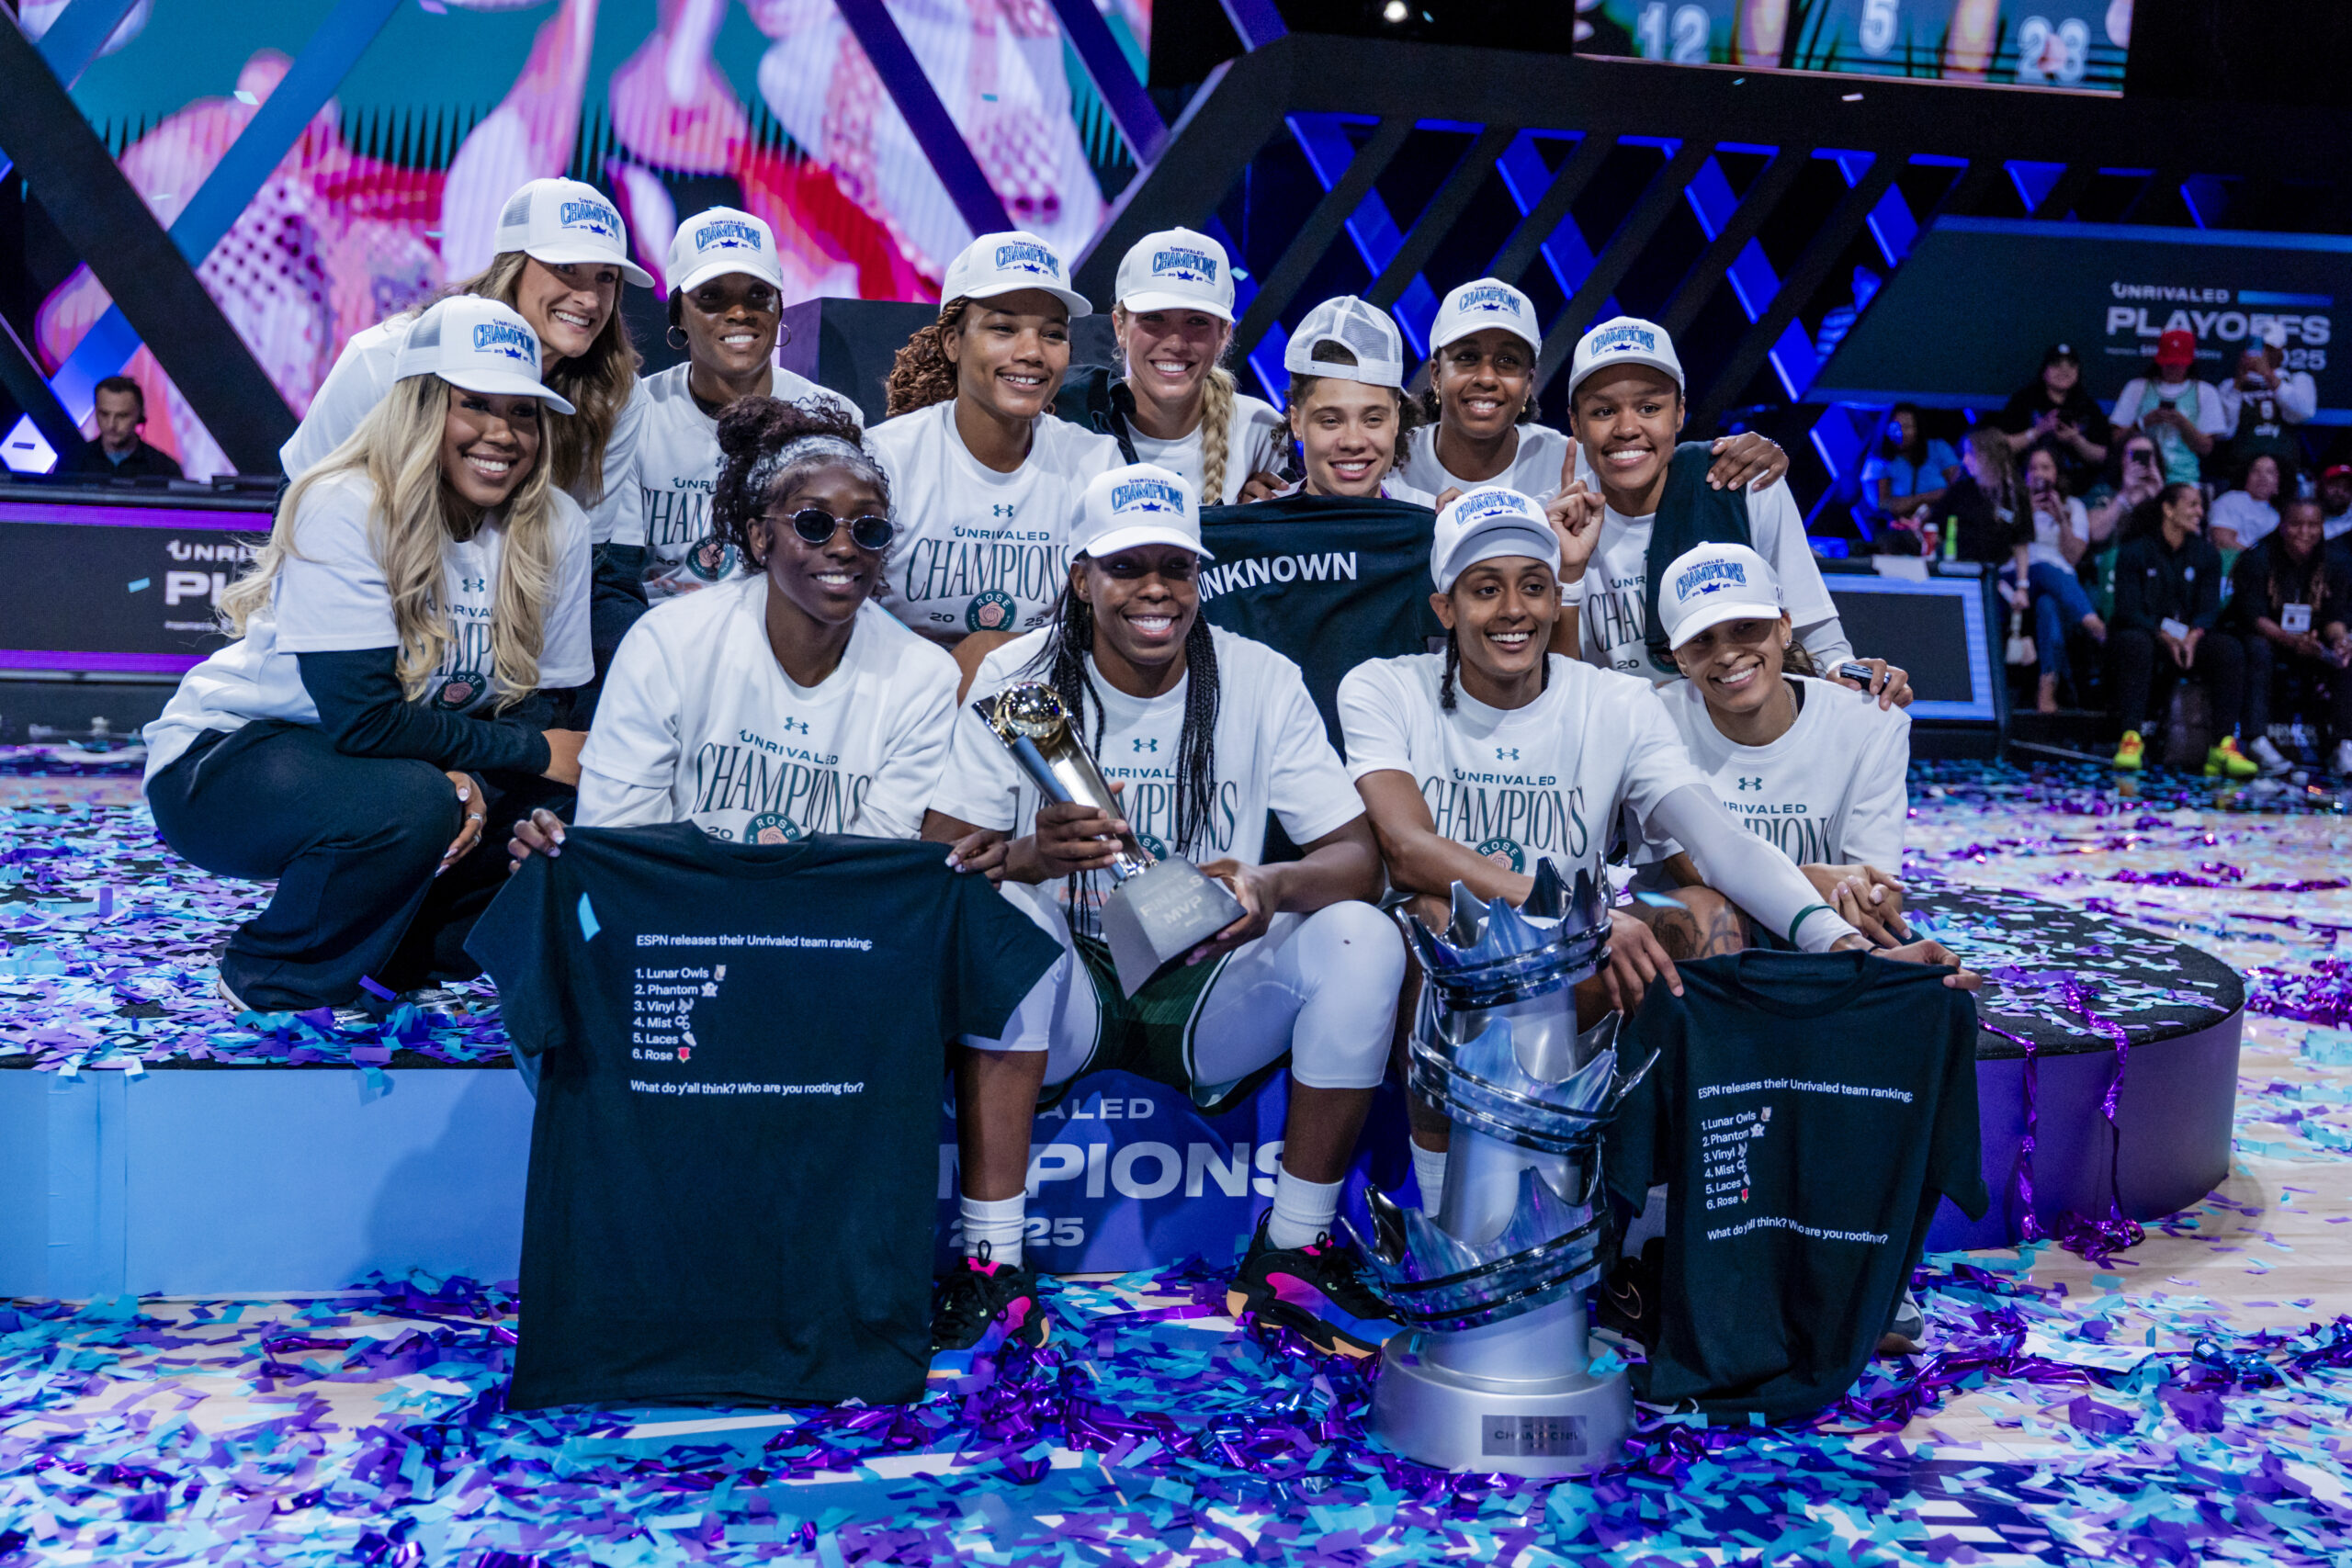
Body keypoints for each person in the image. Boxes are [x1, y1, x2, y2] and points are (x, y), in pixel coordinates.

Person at [1335, 494, 1966, 1226]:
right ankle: (1452, 1225)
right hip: (1445, 967)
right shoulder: (1385, 686)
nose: (1515, 608)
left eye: (1534, 585)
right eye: (1486, 588)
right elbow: (1410, 851)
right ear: (1445, 606)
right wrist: (1582, 921)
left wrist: (1849, 947)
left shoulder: (1615, 702)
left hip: (1572, 967)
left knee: (1704, 919)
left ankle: (1668, 1232)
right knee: (1440, 921)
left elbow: (1721, 844)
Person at [923, 464, 1408, 1359]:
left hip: (1208, 985)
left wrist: (1269, 886)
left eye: (1175, 568)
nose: (1155, 589)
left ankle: (1292, 1250)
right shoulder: (1019, 675)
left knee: (1361, 935)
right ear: (1081, 579)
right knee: (1004, 920)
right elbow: (941, 856)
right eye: (1126, 566)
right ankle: (992, 1266)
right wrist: (1032, 855)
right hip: (1065, 981)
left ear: (1199, 576)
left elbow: (1356, 859)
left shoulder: (1258, 678)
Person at [141, 297, 593, 1015]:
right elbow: (362, 720)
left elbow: (545, 705)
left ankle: (403, 955)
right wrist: (501, 760)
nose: (502, 434)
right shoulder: (347, 503)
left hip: (396, 758)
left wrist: (483, 771)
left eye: (523, 412)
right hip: (232, 759)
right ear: (419, 407)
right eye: (473, 404)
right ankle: (273, 974)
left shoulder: (555, 524)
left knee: (573, 804)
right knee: (413, 801)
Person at [506, 395, 959, 859]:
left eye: (868, 528)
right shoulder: (669, 642)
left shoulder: (924, 677)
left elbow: (871, 863)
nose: (844, 546)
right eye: (814, 523)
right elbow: (622, 839)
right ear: (760, 536)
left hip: (826, 921)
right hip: (672, 911)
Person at [278, 177, 650, 703]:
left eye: (606, 277)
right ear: (512, 264)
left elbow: (582, 564)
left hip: (505, 627)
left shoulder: (615, 396)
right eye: (565, 268)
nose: (588, 297)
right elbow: (298, 518)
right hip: (376, 607)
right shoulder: (383, 360)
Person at [1557, 315, 1905, 705]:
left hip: (1737, 737)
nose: (1627, 428)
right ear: (1575, 422)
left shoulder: (1743, 484)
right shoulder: (1557, 522)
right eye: (1603, 412)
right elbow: (1554, 686)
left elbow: (1819, 640)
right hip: (1618, 744)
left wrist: (1862, 677)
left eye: (1649, 407)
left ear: (1679, 413)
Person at [871, 230, 1122, 686]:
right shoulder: (884, 458)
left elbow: (1119, 623)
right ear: (953, 342)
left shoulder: (1096, 464)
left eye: (1052, 334)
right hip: (892, 703)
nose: (1030, 353)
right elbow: (833, 612)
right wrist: (949, 671)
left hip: (1045, 708)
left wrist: (996, 656)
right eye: (1003, 328)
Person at [621, 209, 859, 604]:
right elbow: (615, 581)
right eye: (712, 297)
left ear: (780, 306)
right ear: (678, 312)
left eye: (758, 294)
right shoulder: (638, 412)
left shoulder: (829, 417)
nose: (738, 313)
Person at [1400, 277, 1792, 504]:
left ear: (1529, 381)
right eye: (1467, 358)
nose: (1487, 377)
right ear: (1435, 374)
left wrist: (1757, 451)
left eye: (1507, 362)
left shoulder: (1576, 461)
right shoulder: (1392, 460)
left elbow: (1660, 465)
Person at [1055, 227, 1287, 504]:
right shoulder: (1071, 421)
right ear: (1120, 327)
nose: (1176, 343)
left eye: (1197, 321)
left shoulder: (1259, 429)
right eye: (1154, 318)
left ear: (1224, 334)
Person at [2109, 483, 2255, 777]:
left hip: (2189, 640)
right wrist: (2162, 634)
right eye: (2192, 505)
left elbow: (2209, 609)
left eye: (2201, 506)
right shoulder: (2135, 550)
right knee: (2134, 642)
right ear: (2168, 509)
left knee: (2229, 649)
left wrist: (2194, 634)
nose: (2200, 513)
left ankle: (2222, 746)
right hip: (2148, 635)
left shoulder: (2206, 555)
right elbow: (2127, 608)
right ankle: (2130, 739)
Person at [1265, 295, 1435, 505]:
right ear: (1296, 423)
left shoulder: (1436, 523)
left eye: (1373, 419)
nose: (1353, 442)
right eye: (1330, 421)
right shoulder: (1254, 529)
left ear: (1396, 420)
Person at [2228, 497, 2352, 777]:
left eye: (2313, 525)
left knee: (2346, 656)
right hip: (2268, 639)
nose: (2305, 532)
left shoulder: (2336, 561)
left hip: (2314, 641)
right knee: (2256, 649)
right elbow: (2253, 617)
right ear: (2283, 526)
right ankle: (2257, 740)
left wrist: (2340, 639)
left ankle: (2343, 744)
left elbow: (2335, 616)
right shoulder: (2257, 558)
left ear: (2322, 528)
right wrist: (2294, 642)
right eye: (2297, 524)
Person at [1999, 446, 2104, 712]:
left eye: (2046, 467)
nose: (2039, 474)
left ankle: (2047, 688)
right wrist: (2025, 515)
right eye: (2033, 468)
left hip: (2057, 586)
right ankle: (2091, 620)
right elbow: (1999, 550)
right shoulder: (2012, 504)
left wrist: (2061, 519)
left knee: (2048, 604)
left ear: (2057, 473)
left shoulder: (2073, 506)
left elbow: (2073, 557)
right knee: (2042, 565)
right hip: (2016, 579)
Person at [2113, 330, 2226, 487]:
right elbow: (2116, 440)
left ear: (2189, 362)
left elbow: (2206, 449)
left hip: (2184, 480)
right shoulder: (2137, 388)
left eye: (2178, 363)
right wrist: (2143, 423)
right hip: (2140, 479)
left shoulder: (2205, 392)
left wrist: (2183, 424)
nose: (2173, 368)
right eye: (2169, 362)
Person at [1996, 343, 2111, 493]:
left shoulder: (2088, 406)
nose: (2064, 370)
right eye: (2056, 364)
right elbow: (2000, 447)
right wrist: (2038, 431)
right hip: (2026, 490)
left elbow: (2104, 456)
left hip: (2079, 491)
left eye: (2071, 365)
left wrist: (2076, 440)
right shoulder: (2024, 401)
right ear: (2044, 371)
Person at [2218, 322, 2317, 479]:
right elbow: (2224, 432)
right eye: (2259, 347)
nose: (2262, 353)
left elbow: (2303, 413)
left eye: (2269, 348)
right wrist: (2238, 386)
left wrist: (2269, 376)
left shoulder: (2297, 380)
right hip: (2241, 473)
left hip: (2285, 474)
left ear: (2281, 351)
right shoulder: (2228, 386)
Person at [1860, 402, 1959, 525]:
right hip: (1899, 531)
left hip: (1942, 524)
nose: (1901, 433)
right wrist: (1929, 497)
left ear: (1918, 428)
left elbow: (1958, 490)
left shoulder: (1938, 449)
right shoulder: (1877, 461)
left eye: (1907, 427)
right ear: (1886, 428)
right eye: (1895, 427)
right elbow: (1883, 506)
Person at [72, 376, 184, 479]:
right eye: (104, 414)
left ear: (139, 416)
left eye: (122, 416)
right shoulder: (72, 462)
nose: (111, 425)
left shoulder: (164, 468)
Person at [2208, 452, 2285, 555]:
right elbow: (2222, 542)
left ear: (2278, 483)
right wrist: (2254, 561)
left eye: (2270, 472)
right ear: (2247, 477)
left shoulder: (2276, 516)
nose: (2262, 477)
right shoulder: (2231, 500)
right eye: (2255, 471)